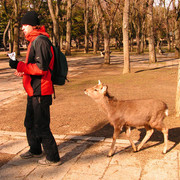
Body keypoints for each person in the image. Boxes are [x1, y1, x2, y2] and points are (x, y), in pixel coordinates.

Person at [9, 11, 60, 166]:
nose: (22, 28)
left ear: (32, 25)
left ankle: (53, 157)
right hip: (32, 90)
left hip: (41, 90)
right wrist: (22, 69)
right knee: (29, 123)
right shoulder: (33, 41)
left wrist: (19, 65)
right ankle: (35, 149)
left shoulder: (41, 41)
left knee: (42, 125)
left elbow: (41, 69)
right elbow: (33, 67)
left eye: (24, 25)